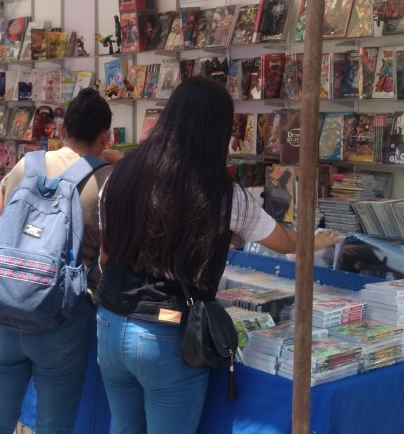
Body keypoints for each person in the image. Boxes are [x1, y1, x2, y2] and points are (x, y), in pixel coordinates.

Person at [94, 76, 337, 434]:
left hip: (110, 321)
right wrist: (314, 241)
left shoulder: (119, 175)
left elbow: (104, 257)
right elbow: (284, 242)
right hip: (165, 333)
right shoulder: (221, 194)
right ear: (218, 132)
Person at [0, 88, 122, 434]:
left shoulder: (27, 164)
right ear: (105, 135)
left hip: (3, 307)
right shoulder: (107, 181)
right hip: (63, 316)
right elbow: (110, 256)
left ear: (62, 130)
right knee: (54, 427)